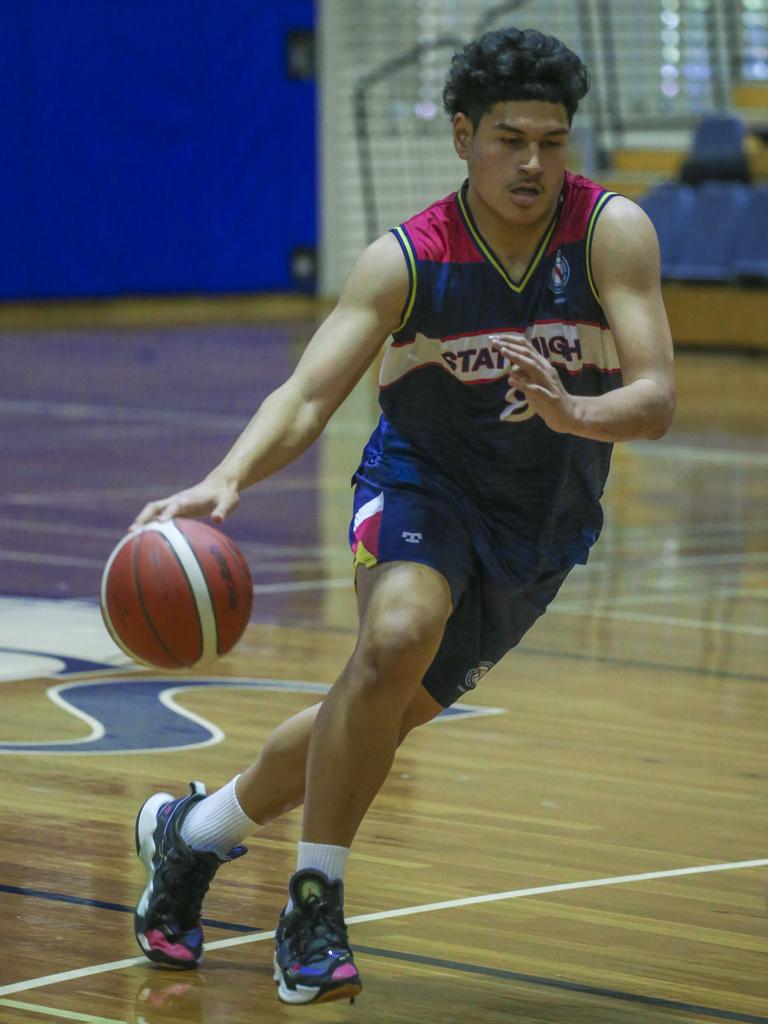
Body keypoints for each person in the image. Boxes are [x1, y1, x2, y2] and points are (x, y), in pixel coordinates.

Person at [130, 26, 675, 1006]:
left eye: (553, 141)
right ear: (463, 135)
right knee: (395, 639)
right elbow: (306, 396)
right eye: (511, 138)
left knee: (380, 713)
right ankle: (313, 901)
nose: (534, 162)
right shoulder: (408, 259)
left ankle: (194, 832)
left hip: (539, 522)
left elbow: (659, 395)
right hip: (422, 483)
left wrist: (574, 412)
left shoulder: (609, 233)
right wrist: (228, 479)